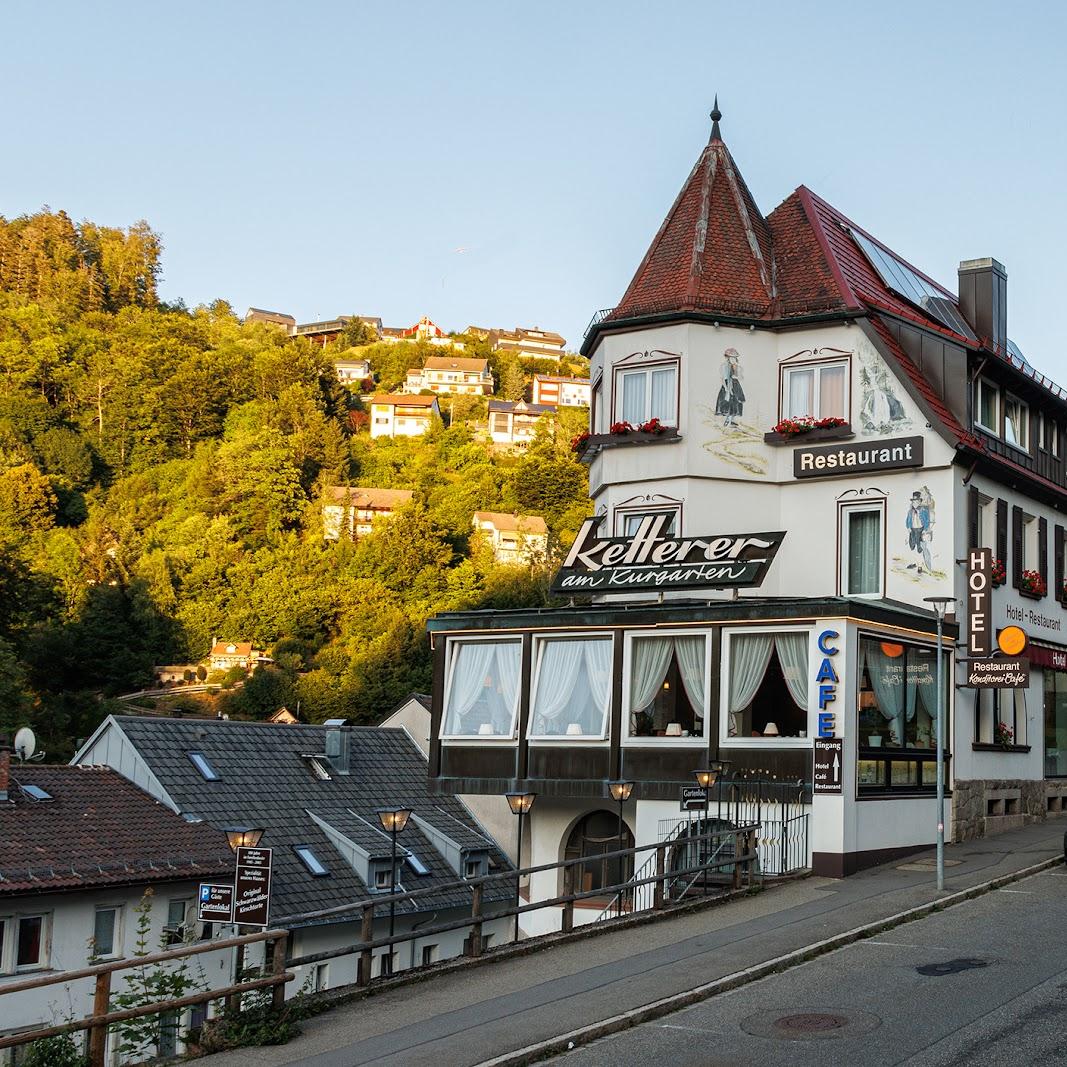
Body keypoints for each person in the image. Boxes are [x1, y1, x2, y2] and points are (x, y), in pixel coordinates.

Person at [715, 348, 745, 426]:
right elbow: (723, 378)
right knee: (729, 402)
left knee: (736, 402)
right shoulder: (724, 366)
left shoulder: (737, 367)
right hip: (728, 385)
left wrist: (737, 375)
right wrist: (726, 388)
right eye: (732, 357)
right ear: (728, 358)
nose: (733, 359)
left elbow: (741, 377)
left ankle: (731, 420)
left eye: (734, 357)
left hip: (736, 386)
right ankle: (728, 420)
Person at [905, 490, 933, 573]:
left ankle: (920, 566)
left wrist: (925, 530)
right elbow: (907, 520)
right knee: (912, 547)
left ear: (920, 502)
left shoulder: (923, 510)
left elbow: (927, 521)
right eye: (913, 501)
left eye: (916, 501)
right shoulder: (910, 511)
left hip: (920, 530)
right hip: (912, 530)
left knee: (920, 548)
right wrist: (908, 527)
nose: (915, 503)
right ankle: (915, 563)